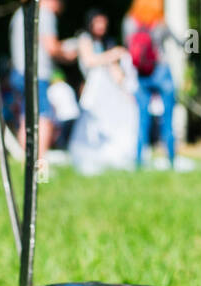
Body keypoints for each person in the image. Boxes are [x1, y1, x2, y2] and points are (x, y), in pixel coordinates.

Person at [69, 8, 139, 174]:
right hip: (94, 91)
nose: (101, 26)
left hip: (109, 92)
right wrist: (112, 54)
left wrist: (125, 88)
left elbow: (115, 71)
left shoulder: (107, 43)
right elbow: (89, 61)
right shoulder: (85, 39)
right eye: (98, 22)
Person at [10, 0, 78, 158]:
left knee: (26, 117)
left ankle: (27, 162)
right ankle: (40, 165)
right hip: (36, 73)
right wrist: (68, 54)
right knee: (43, 117)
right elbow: (51, 47)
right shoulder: (45, 14)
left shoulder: (20, 13)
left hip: (19, 71)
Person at [125, 0, 179, 168]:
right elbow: (178, 41)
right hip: (162, 71)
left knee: (142, 119)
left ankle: (139, 160)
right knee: (168, 117)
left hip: (142, 75)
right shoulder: (160, 22)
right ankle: (171, 159)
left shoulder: (129, 22)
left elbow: (129, 47)